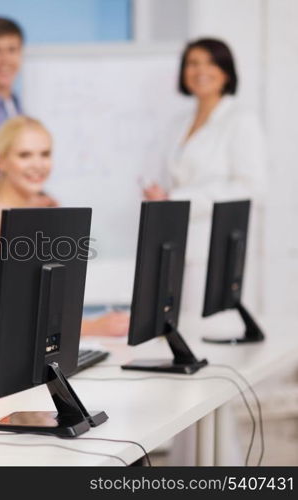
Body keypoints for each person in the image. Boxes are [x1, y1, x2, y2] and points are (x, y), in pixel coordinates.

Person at [142, 38, 267, 316]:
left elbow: (251, 188)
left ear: (226, 72)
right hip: (177, 244)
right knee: (177, 326)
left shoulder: (241, 119)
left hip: (215, 246)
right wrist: (158, 192)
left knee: (213, 331)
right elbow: (174, 179)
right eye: (192, 63)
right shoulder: (179, 122)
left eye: (210, 63)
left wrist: (177, 198)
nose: (200, 71)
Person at [0, 116, 129, 337]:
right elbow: (23, 313)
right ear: (0, 161)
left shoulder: (37, 207)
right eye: (25, 155)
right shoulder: (0, 221)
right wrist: (93, 327)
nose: (38, 165)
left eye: (45, 154)